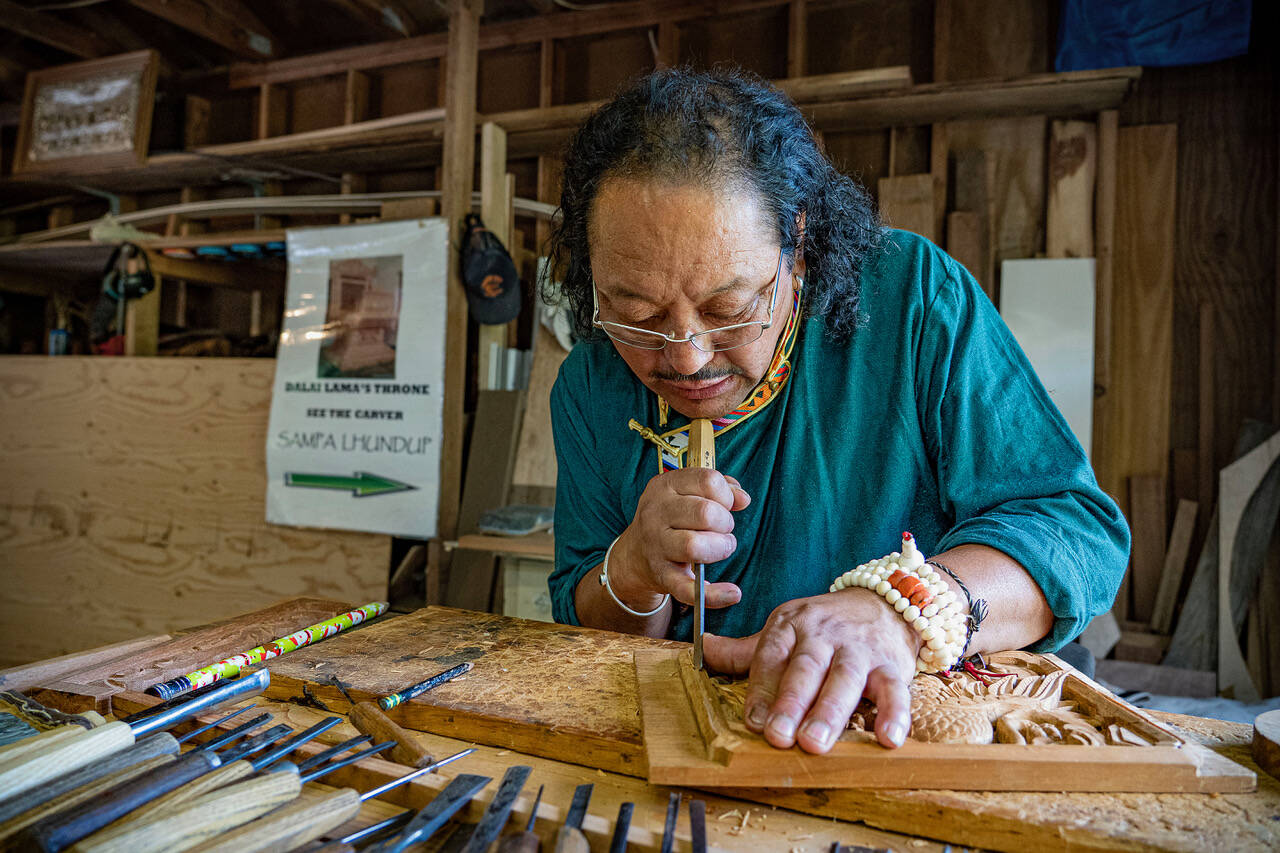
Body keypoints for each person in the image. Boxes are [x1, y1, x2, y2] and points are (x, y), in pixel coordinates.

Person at [545, 68, 1128, 754]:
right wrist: (635, 567)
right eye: (635, 313)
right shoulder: (590, 385)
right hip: (689, 745)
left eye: (729, 309)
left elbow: (1075, 533)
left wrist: (904, 609)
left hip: (892, 742)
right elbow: (589, 626)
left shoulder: (912, 299)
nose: (686, 356)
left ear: (796, 246)